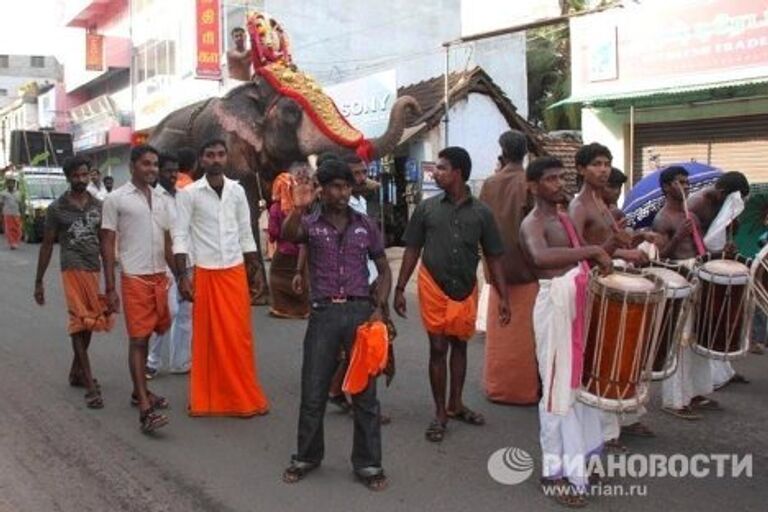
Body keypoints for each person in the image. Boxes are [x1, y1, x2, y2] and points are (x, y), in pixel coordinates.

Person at [279, 157, 391, 491]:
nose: (343, 193)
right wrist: (297, 208)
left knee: (365, 396)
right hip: (323, 314)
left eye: (346, 186)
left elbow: (384, 269)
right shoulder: (310, 224)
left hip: (360, 315)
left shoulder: (365, 224)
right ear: (322, 190)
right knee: (313, 390)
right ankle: (306, 456)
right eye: (335, 187)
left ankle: (369, 464)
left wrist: (379, 309)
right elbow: (288, 236)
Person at [394, 146, 510, 443]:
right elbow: (411, 249)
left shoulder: (482, 213)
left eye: (442, 168)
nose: (435, 172)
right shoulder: (426, 208)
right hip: (433, 286)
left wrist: (503, 296)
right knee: (437, 348)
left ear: (458, 172)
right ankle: (439, 413)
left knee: (460, 345)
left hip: (465, 288)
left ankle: (456, 404)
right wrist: (399, 288)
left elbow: (494, 257)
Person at [520, 156, 612, 507]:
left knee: (579, 387)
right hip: (554, 306)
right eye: (551, 179)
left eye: (561, 178)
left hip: (575, 302)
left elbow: (580, 260)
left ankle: (582, 460)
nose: (559, 184)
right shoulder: (533, 223)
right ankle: (553, 471)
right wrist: (592, 249)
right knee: (557, 389)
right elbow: (541, 258)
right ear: (533, 186)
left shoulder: (561, 218)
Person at [173, 139, 270, 417]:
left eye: (219, 154)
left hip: (234, 271)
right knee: (208, 340)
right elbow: (180, 236)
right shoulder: (188, 194)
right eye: (210, 155)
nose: (215, 159)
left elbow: (245, 232)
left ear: (226, 158)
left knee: (239, 337)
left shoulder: (237, 192)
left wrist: (257, 272)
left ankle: (243, 395)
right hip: (204, 272)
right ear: (202, 160)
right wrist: (183, 275)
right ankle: (206, 398)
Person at [568, 143, 652, 445]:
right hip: (591, 290)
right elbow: (575, 256)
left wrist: (630, 248)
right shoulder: (579, 207)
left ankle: (611, 425)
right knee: (596, 359)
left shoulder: (601, 203)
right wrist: (617, 249)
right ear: (581, 169)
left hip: (607, 286)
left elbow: (607, 246)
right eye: (597, 164)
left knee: (612, 355)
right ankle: (597, 432)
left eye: (607, 163)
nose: (603, 169)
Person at [101, 145, 174, 433]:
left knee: (155, 333)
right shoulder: (116, 199)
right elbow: (107, 243)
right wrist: (109, 287)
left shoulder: (162, 198)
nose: (153, 169)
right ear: (133, 166)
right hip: (133, 277)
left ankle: (138, 391)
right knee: (139, 340)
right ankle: (145, 408)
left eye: (155, 164)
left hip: (160, 278)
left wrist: (181, 275)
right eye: (147, 164)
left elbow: (168, 241)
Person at [33, 156, 114, 409]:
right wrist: (39, 281)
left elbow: (105, 243)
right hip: (71, 268)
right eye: (76, 176)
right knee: (79, 321)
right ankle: (89, 383)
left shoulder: (99, 206)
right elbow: (47, 245)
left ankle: (76, 373)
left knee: (89, 323)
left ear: (90, 175)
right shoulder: (57, 208)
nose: (81, 180)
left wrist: (111, 280)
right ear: (68, 177)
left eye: (84, 175)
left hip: (93, 269)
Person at [477, 130, 540, 405]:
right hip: (527, 270)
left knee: (500, 334)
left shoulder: (489, 184)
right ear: (525, 154)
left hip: (496, 270)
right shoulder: (530, 184)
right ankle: (526, 389)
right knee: (526, 335)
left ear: (502, 153)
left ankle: (497, 387)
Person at [653, 166, 717, 420]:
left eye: (687, 182)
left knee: (697, 338)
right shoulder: (663, 218)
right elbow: (661, 256)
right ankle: (675, 399)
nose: (686, 186)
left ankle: (696, 391)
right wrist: (679, 236)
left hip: (697, 273)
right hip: (678, 277)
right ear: (667, 187)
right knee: (679, 341)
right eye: (680, 182)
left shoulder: (693, 215)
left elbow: (700, 247)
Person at [688, 171, 751, 389]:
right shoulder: (696, 203)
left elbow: (725, 229)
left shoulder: (722, 202)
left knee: (718, 320)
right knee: (705, 323)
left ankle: (723, 372)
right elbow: (693, 239)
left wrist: (732, 229)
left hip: (714, 262)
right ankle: (709, 377)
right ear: (722, 193)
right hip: (698, 266)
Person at [146, 154, 192, 378]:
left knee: (185, 314)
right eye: (167, 170)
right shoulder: (153, 199)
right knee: (168, 312)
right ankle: (152, 361)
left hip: (188, 261)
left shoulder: (185, 197)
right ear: (158, 172)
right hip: (164, 264)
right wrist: (178, 272)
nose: (173, 174)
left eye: (176, 170)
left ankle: (180, 362)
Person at [267, 163, 310, 319]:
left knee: (277, 279)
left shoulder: (275, 209)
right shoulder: (307, 205)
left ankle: (282, 309)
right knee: (302, 279)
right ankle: (302, 309)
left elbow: (274, 232)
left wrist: (273, 239)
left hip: (283, 252)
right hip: (301, 253)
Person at [0, 175, 22, 250]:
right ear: (7, 184)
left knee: (18, 229)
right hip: (7, 213)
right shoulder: (3, 193)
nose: (11, 184)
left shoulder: (18, 193)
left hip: (16, 213)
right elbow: (1, 204)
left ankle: (16, 241)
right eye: (9, 183)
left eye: (12, 183)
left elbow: (21, 204)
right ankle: (12, 243)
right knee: (9, 229)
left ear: (14, 183)